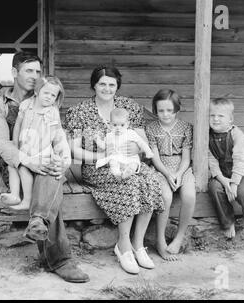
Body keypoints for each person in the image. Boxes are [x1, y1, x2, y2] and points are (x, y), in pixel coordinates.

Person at [0, 51, 89, 283]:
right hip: (16, 167)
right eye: (28, 71)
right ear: (14, 73)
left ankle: (37, 222)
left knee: (51, 173)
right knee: (49, 190)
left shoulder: (48, 100)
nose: (34, 76)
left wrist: (63, 160)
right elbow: (2, 144)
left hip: (44, 158)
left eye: (37, 71)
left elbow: (57, 135)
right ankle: (61, 259)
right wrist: (27, 160)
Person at [64, 65, 164, 275]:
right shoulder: (80, 111)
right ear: (94, 85)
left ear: (117, 86)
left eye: (112, 84)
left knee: (150, 179)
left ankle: (138, 244)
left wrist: (136, 147)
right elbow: (73, 149)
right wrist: (101, 156)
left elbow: (142, 139)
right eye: (102, 84)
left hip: (129, 162)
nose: (107, 88)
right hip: (97, 166)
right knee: (128, 183)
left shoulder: (128, 107)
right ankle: (123, 246)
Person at [0, 76, 71, 211]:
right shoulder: (26, 105)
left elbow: (55, 133)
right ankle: (14, 194)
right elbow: (18, 125)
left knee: (23, 168)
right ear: (37, 91)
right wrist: (15, 144)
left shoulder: (52, 111)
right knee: (12, 165)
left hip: (41, 149)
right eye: (46, 93)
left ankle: (27, 200)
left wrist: (57, 152)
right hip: (24, 147)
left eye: (53, 95)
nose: (49, 97)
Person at [146, 89, 196, 261]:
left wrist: (179, 174)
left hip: (182, 167)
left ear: (177, 110)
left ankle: (179, 237)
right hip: (161, 168)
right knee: (165, 197)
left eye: (169, 110)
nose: (165, 114)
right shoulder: (151, 128)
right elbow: (155, 157)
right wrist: (168, 175)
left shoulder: (186, 128)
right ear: (155, 110)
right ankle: (160, 241)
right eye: (161, 110)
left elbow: (187, 157)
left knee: (189, 195)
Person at [208, 98, 244, 239]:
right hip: (222, 171)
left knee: (242, 192)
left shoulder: (237, 135)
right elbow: (211, 161)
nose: (215, 119)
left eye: (221, 116)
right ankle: (228, 222)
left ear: (230, 119)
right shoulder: (206, 136)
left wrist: (234, 183)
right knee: (214, 187)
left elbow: (240, 160)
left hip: (242, 170)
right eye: (212, 115)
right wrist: (223, 180)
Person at [95, 108, 154, 179]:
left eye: (122, 125)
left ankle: (129, 171)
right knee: (112, 162)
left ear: (127, 124)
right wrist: (97, 140)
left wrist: (148, 151)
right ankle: (117, 173)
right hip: (116, 157)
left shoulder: (131, 133)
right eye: (115, 125)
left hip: (130, 157)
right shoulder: (109, 135)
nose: (118, 128)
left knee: (134, 164)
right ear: (110, 124)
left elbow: (141, 143)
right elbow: (104, 146)